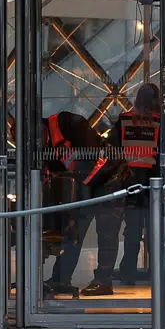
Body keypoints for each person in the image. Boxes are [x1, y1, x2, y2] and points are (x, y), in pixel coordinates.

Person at [83, 83, 161, 295]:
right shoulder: (160, 122)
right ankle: (158, 274)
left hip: (124, 185)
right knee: (152, 232)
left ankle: (126, 273)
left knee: (127, 233)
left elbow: (110, 151)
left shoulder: (124, 120)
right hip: (151, 185)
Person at [41, 109, 107, 296]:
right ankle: (60, 278)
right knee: (72, 234)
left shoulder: (67, 123)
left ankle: (96, 280)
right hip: (82, 190)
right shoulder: (47, 143)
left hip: (98, 186)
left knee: (81, 234)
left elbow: (91, 157)